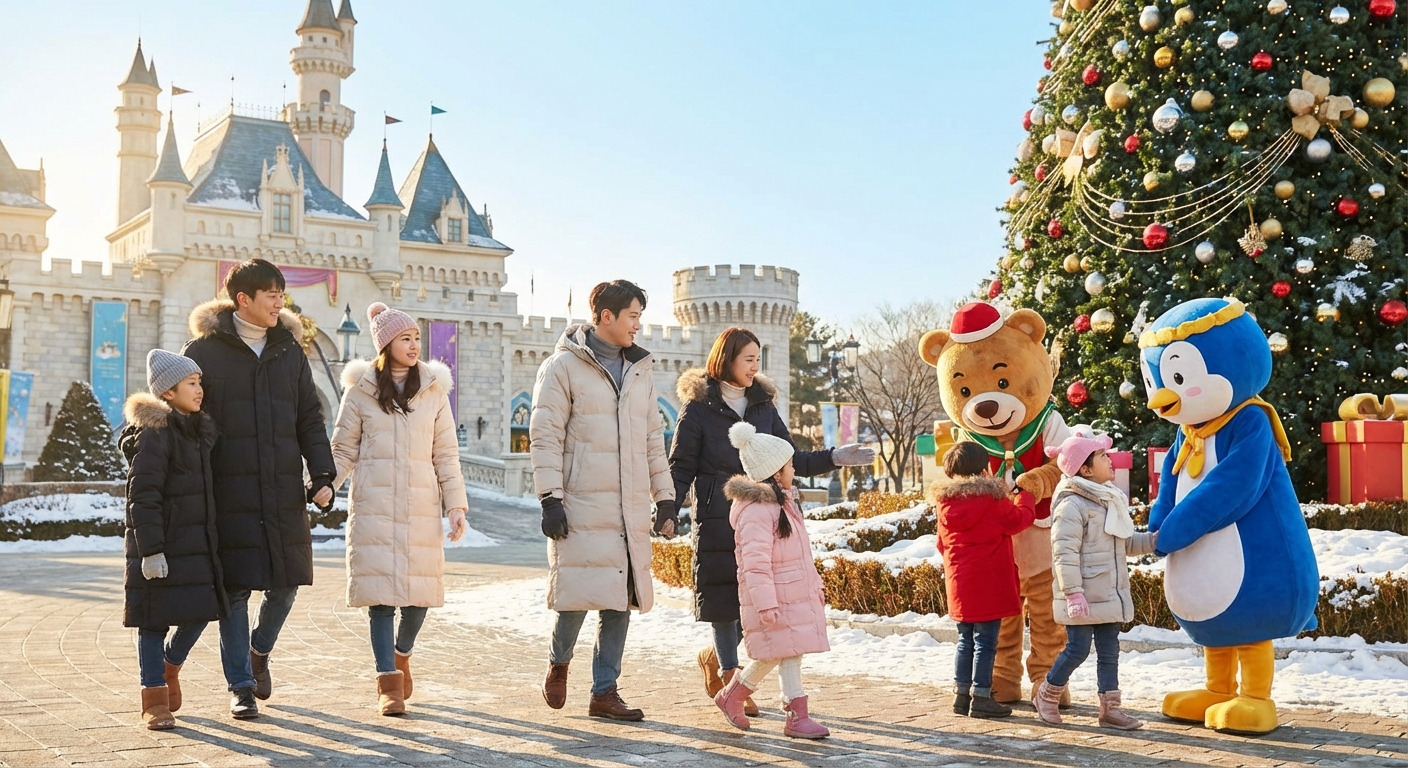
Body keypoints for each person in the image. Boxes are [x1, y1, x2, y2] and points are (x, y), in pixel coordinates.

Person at [669, 326, 872, 713]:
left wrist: (834, 457)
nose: (754, 366)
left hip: (765, 514)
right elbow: (682, 465)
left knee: (758, 604)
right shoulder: (697, 407)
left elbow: (789, 457)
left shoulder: (763, 405)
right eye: (748, 359)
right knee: (725, 601)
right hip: (716, 516)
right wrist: (666, 508)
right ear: (726, 359)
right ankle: (731, 677)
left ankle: (721, 662)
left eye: (758, 359)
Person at [183, 258, 336, 719]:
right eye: (271, 293)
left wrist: (322, 474)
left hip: (282, 486)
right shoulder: (203, 351)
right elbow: (183, 410)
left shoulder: (289, 349)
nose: (280, 301)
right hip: (227, 491)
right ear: (242, 300)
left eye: (282, 292)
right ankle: (241, 687)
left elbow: (309, 414)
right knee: (234, 591)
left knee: (286, 583)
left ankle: (259, 651)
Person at [530, 279, 676, 721]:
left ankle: (604, 691)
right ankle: (559, 663)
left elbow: (654, 439)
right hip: (580, 502)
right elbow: (545, 436)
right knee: (576, 595)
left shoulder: (640, 371)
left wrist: (664, 498)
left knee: (620, 598)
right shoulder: (561, 368)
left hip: (627, 506)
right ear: (605, 317)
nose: (637, 325)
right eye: (632, 315)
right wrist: (550, 498)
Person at [329, 303, 470, 716]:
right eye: (405, 338)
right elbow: (342, 450)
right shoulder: (360, 392)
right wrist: (323, 486)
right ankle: (387, 683)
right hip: (374, 504)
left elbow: (446, 453)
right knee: (380, 600)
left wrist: (455, 506)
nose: (413, 345)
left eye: (417, 338)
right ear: (386, 344)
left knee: (419, 594)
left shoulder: (434, 393)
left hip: (421, 505)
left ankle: (401, 653)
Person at [121, 350, 227, 730]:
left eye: (199, 382)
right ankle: (153, 699)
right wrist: (150, 551)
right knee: (153, 622)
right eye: (192, 384)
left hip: (195, 544)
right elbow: (143, 496)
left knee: (201, 611)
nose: (200, 390)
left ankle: (170, 666)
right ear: (168, 392)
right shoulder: (155, 435)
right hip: (159, 546)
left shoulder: (198, 431)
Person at [713, 422, 830, 739]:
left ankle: (732, 696)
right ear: (776, 472)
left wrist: (814, 588)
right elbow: (755, 563)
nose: (794, 469)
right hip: (775, 598)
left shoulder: (784, 503)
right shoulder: (757, 511)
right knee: (780, 652)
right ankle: (794, 715)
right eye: (790, 465)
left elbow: (800, 555)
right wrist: (765, 604)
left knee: (782, 651)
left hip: (791, 594)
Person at [1034, 430, 1156, 729]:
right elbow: (1064, 553)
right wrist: (1073, 592)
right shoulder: (1072, 505)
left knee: (1109, 651)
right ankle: (1046, 696)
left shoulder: (1107, 499)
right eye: (1102, 456)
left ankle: (1110, 710)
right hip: (1082, 595)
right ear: (1085, 469)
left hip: (1108, 591)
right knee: (1077, 649)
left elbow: (1123, 543)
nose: (1109, 460)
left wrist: (1154, 541)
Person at [932, 441, 1040, 719]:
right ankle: (981, 698)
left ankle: (961, 696)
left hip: (960, 583)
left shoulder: (944, 504)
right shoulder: (992, 499)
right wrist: (1025, 496)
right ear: (985, 469)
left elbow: (941, 545)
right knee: (985, 642)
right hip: (989, 582)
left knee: (965, 641)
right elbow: (1019, 520)